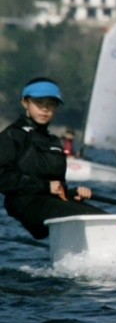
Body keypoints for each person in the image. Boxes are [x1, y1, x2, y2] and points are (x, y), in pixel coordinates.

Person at [0, 77, 105, 240]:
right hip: (26, 203)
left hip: (49, 202)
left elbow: (56, 186)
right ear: (25, 103)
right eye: (39, 103)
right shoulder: (12, 135)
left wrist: (72, 194)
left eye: (51, 104)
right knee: (96, 221)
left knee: (102, 217)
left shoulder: (54, 141)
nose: (45, 109)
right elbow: (3, 178)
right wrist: (45, 186)